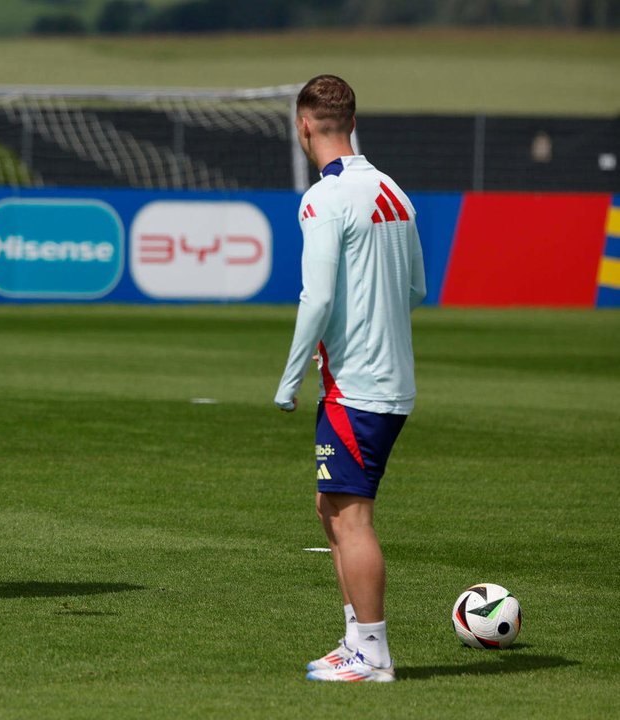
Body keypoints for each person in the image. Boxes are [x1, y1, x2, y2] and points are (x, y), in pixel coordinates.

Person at [274, 75, 426, 682]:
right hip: (389, 378)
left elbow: (316, 297)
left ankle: (374, 655)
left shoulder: (323, 198)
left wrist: (289, 380)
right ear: (352, 122)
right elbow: (416, 288)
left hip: (356, 385)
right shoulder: (393, 191)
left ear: (304, 124)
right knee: (329, 505)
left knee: (350, 517)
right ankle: (354, 640)